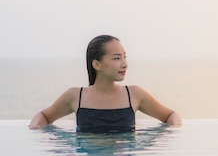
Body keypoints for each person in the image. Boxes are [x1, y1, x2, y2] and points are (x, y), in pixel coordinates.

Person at [29, 35, 182, 132]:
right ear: (97, 65)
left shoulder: (134, 94)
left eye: (124, 57)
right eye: (116, 58)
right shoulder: (76, 96)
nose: (124, 64)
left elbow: (171, 115)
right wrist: (35, 127)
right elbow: (44, 116)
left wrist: (173, 131)